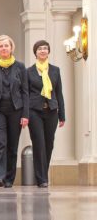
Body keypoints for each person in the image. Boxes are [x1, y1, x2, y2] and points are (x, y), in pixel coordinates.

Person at [0, 35, 29, 188]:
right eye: (0, 46)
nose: (3, 48)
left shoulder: (20, 67)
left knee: (12, 146)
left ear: (11, 48)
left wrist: (25, 115)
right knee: (0, 143)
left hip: (16, 110)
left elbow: (25, 92)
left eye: (6, 46)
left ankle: (9, 178)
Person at [27, 40, 65, 188]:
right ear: (35, 52)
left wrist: (62, 114)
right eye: (40, 49)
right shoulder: (28, 71)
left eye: (45, 49)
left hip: (52, 111)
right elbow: (26, 93)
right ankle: (41, 178)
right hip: (34, 111)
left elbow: (59, 93)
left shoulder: (55, 70)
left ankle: (43, 173)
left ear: (48, 52)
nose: (43, 51)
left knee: (49, 144)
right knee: (39, 144)